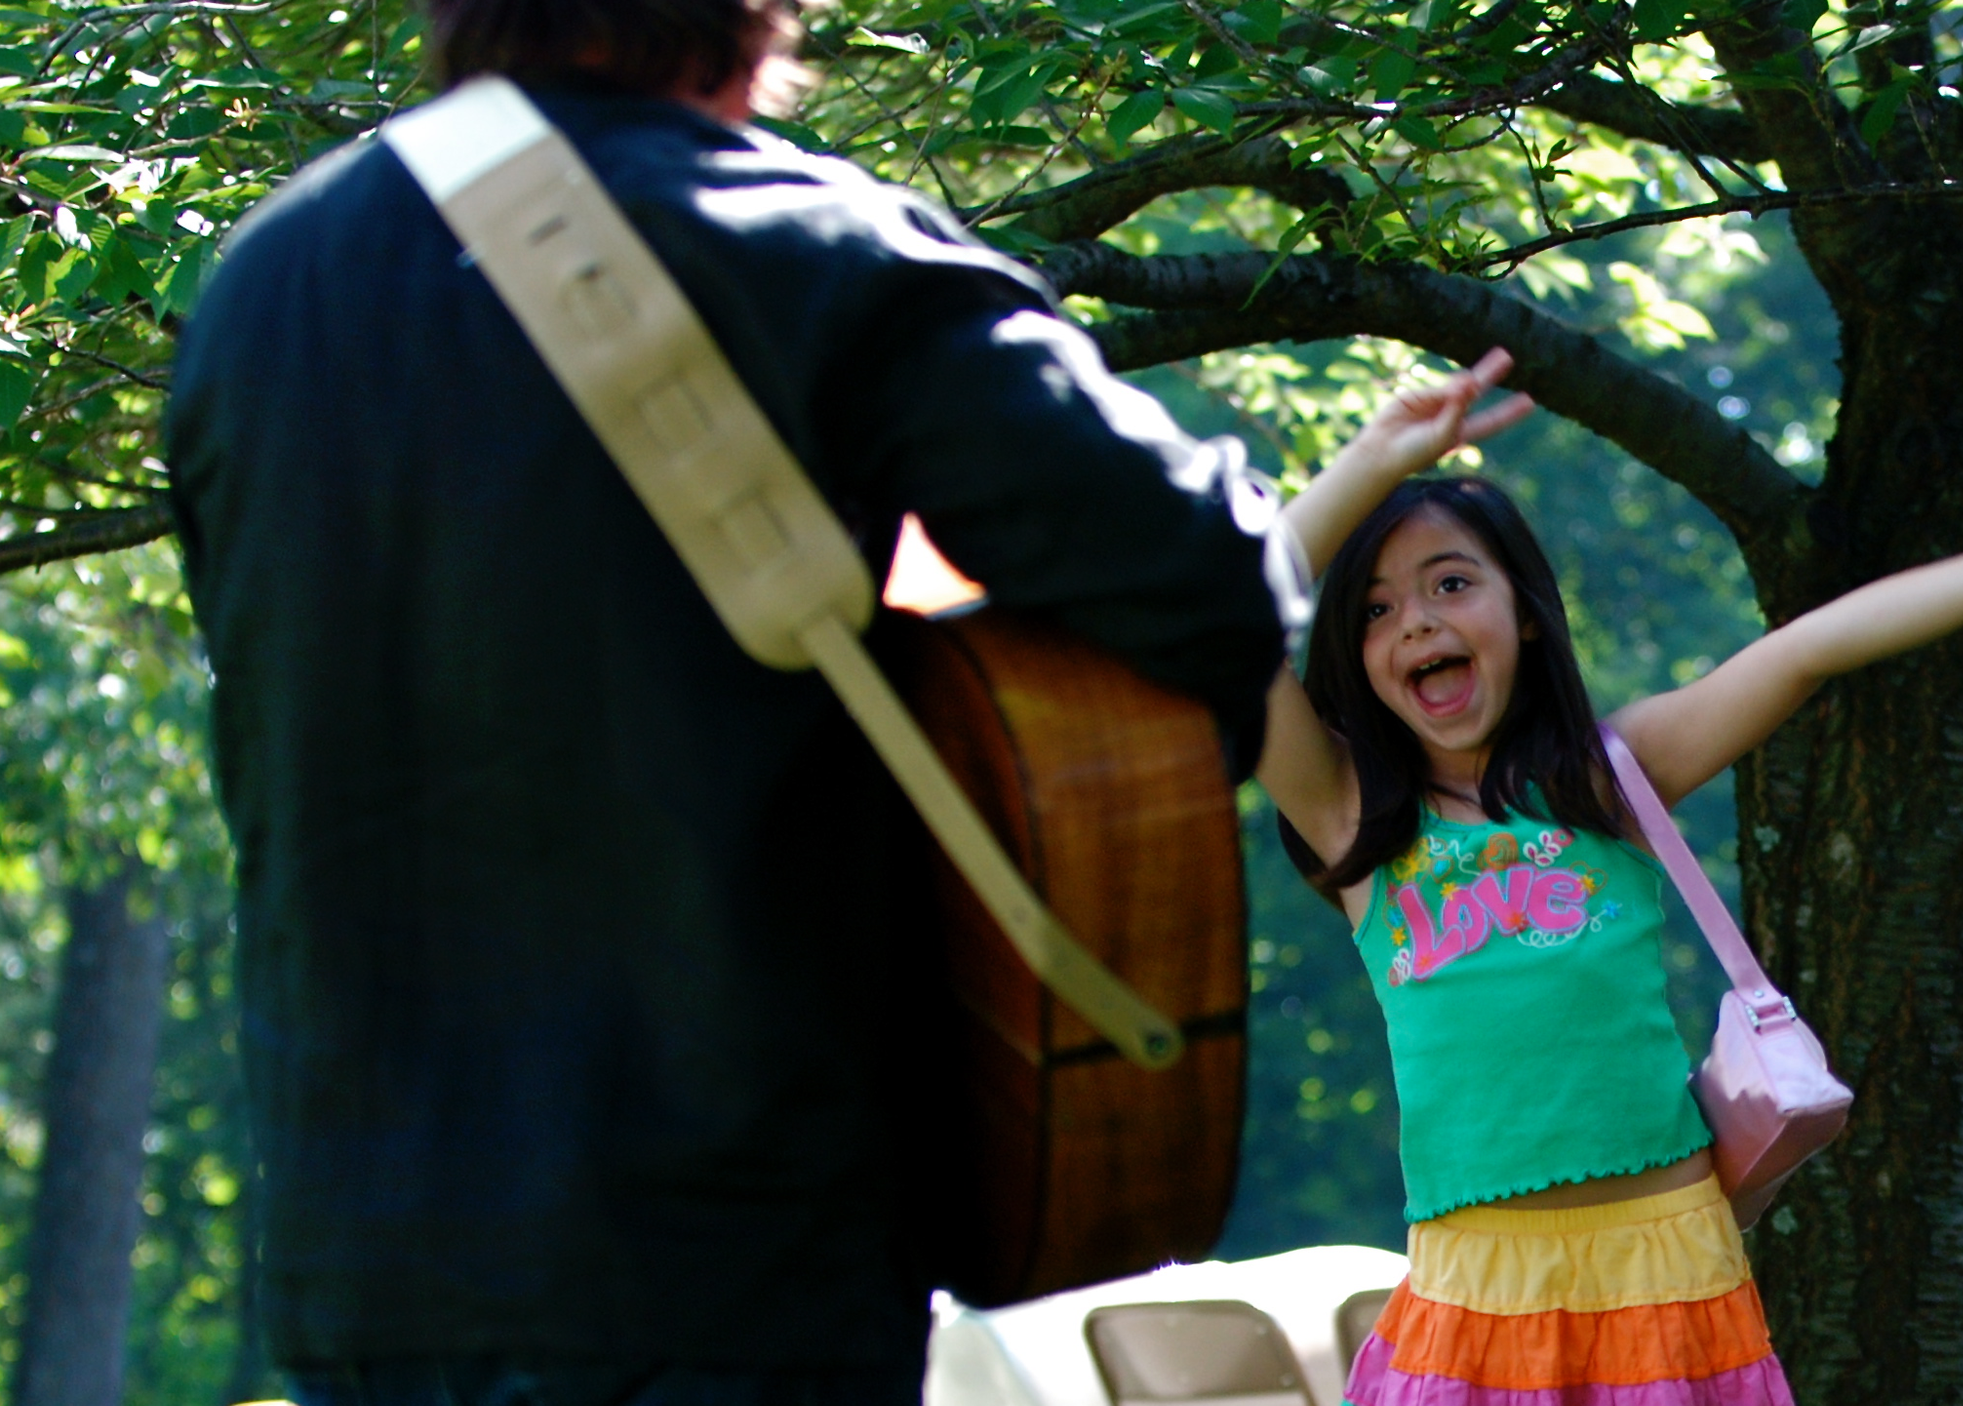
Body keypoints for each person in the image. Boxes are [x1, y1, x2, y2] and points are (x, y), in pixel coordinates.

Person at [158, 0, 1470, 1401]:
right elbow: (1204, 580)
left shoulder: (262, 290)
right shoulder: (810, 246)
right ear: (754, 22)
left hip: (363, 1263)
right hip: (732, 1252)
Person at [1256, 405, 1963, 1403]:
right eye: (1375, 608)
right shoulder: (1351, 819)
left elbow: (1803, 651)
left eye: (1451, 583)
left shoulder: (1608, 779)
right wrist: (1375, 458)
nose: (1416, 621)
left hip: (1670, 1279)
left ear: (1525, 612)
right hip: (1471, 1298)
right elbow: (1217, 617)